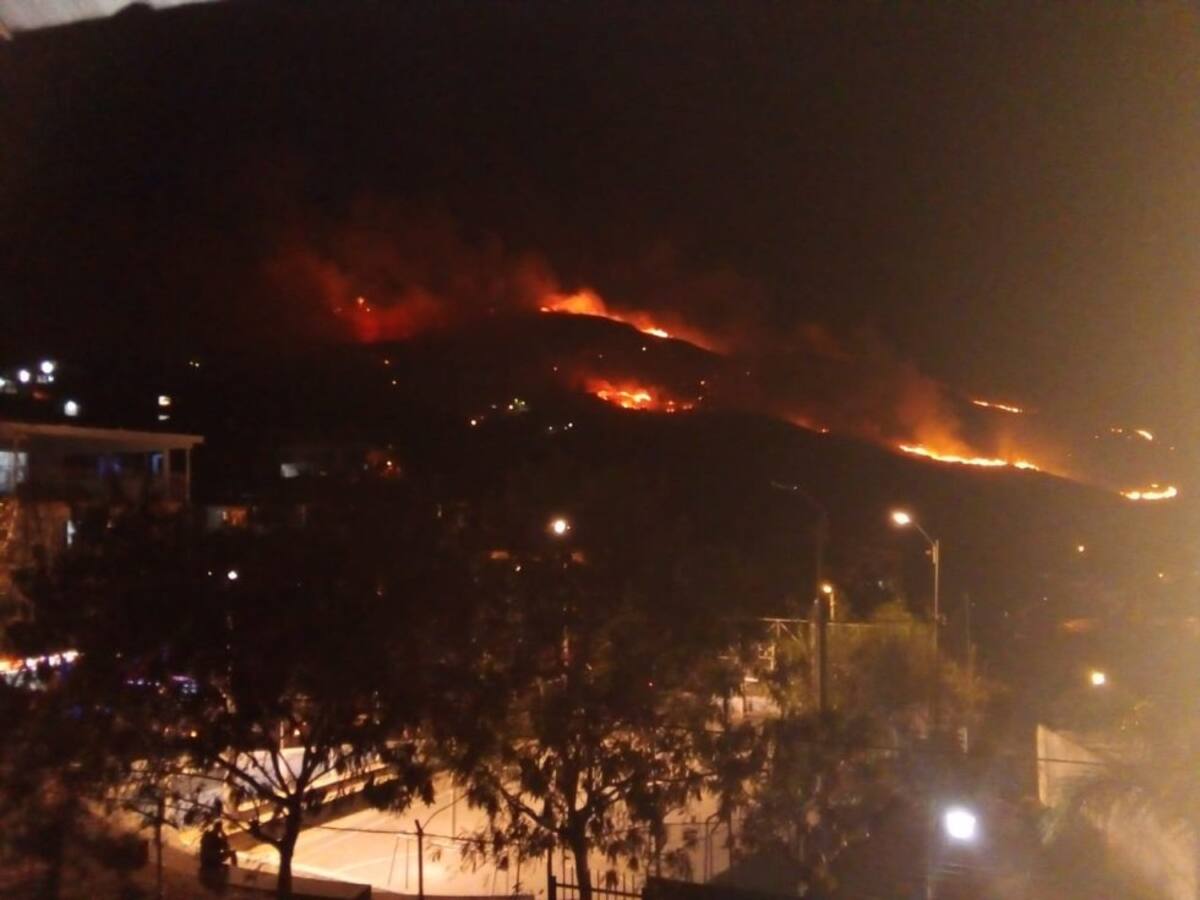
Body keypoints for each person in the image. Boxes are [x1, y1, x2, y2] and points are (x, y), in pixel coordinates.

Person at [198, 822, 237, 892]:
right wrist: (223, 835)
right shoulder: (217, 839)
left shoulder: (207, 835)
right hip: (214, 859)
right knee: (232, 853)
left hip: (204, 858)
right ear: (219, 828)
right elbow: (226, 847)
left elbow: (202, 843)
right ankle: (235, 870)